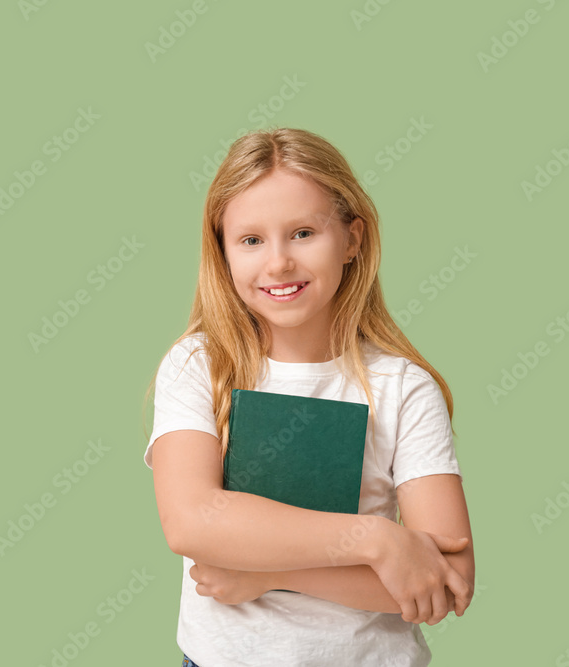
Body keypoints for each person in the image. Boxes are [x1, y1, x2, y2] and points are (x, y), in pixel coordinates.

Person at [142, 127, 475, 667]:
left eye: (302, 233)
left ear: (352, 240)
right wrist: (377, 540)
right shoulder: (199, 365)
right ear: (223, 252)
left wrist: (271, 573)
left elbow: (448, 580)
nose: (278, 263)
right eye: (251, 240)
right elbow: (191, 520)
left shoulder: (404, 387)